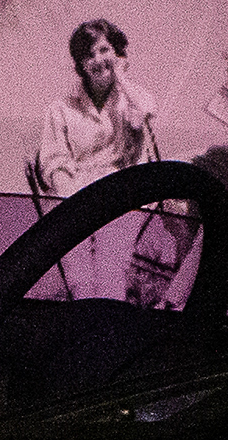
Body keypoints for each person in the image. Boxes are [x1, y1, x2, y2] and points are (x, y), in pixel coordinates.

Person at [27, 18, 178, 303]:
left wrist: (121, 77)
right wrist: (74, 205)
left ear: (118, 53)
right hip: (73, 195)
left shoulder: (130, 99)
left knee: (110, 273)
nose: (97, 60)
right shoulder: (60, 109)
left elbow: (146, 110)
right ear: (80, 64)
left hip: (121, 194)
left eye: (104, 50)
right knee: (80, 281)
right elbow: (53, 161)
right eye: (88, 55)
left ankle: (113, 335)